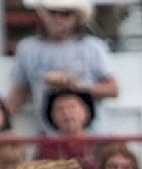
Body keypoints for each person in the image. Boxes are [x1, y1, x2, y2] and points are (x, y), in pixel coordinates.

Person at [7, 0, 119, 134]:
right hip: (47, 137)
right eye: (52, 12)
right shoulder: (27, 48)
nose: (58, 18)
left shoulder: (92, 47)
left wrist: (80, 89)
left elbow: (113, 89)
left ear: (76, 18)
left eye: (65, 13)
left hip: (90, 135)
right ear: (44, 15)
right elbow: (19, 94)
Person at [35, 89, 100, 169]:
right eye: (60, 109)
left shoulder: (101, 144)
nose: (66, 113)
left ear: (86, 112)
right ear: (52, 117)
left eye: (71, 107)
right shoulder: (46, 147)